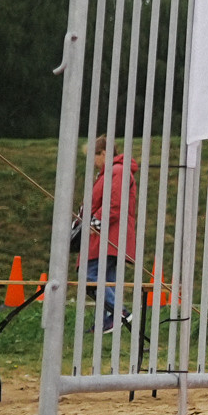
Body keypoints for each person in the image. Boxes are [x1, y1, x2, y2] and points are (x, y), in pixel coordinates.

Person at [82, 136, 137, 333]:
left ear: (103, 153)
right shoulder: (112, 172)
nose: (92, 163)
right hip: (108, 235)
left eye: (93, 157)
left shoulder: (117, 172)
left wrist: (93, 222)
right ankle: (108, 320)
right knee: (107, 280)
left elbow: (114, 205)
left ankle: (119, 312)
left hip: (109, 236)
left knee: (90, 276)